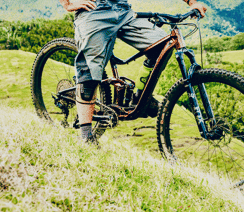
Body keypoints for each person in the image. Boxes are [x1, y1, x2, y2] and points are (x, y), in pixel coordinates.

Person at [59, 0, 208, 145]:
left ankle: (140, 98)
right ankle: (86, 137)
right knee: (89, 73)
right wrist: (68, 4)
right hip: (93, 12)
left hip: (123, 11)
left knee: (163, 45)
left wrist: (192, 2)